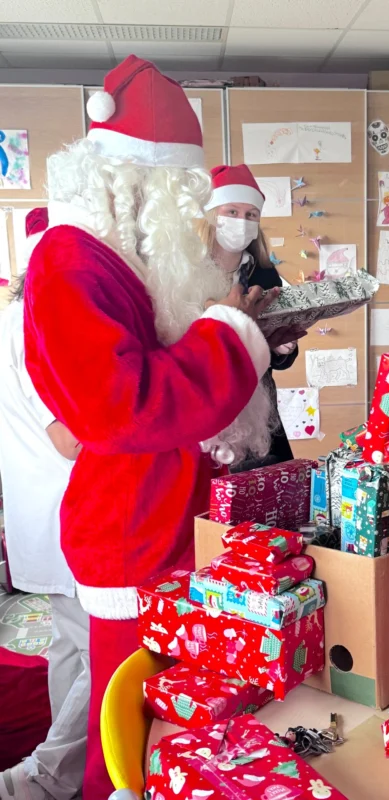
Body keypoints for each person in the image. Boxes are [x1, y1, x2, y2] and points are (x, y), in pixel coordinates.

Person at [22, 56, 277, 797]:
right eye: (179, 192)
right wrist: (229, 334)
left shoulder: (120, 257)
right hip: (130, 529)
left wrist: (249, 330)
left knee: (168, 710)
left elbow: (160, 351)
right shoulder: (72, 262)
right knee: (128, 728)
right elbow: (123, 405)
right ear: (142, 186)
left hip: (164, 514)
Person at [0, 208, 90, 800]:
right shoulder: (40, 326)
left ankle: (59, 764)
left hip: (37, 511)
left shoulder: (9, 319)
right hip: (68, 510)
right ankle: (47, 775)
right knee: (102, 654)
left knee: (67, 645)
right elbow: (71, 437)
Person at [200, 164, 307, 470]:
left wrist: (281, 348)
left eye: (251, 215)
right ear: (212, 215)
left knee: (271, 488)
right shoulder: (186, 273)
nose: (242, 222)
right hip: (203, 407)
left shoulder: (265, 274)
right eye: (232, 211)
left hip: (257, 409)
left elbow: (279, 362)